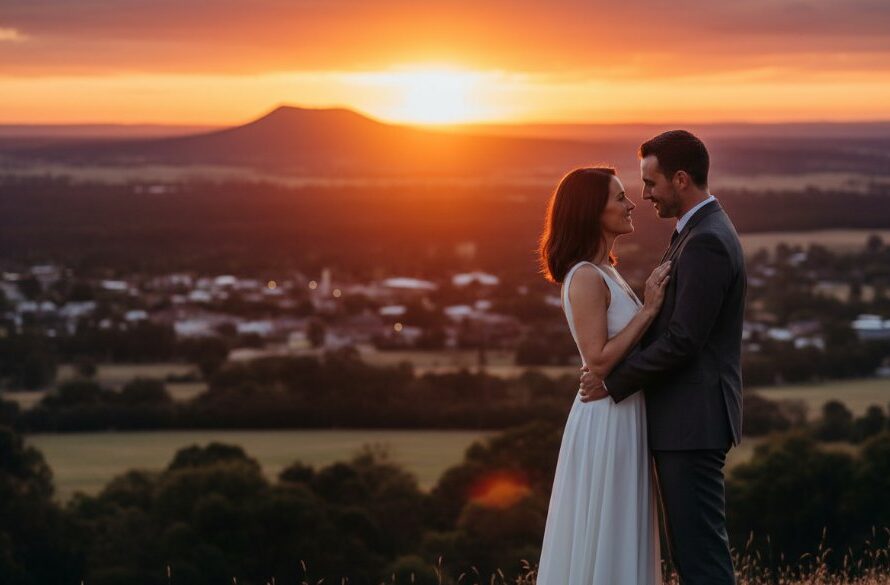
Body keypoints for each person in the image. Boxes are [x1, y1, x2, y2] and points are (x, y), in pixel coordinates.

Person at [579, 130, 746, 585]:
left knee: (700, 557)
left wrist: (613, 382)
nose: (644, 195)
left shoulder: (706, 240)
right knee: (692, 552)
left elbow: (683, 340)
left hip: (692, 422)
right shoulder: (697, 231)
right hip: (687, 422)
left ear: (680, 179)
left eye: (651, 184)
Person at [535, 166, 671, 585]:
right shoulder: (585, 277)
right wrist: (649, 309)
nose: (632, 204)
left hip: (623, 411)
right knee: (608, 521)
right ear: (592, 211)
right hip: (606, 418)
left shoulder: (606, 270)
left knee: (619, 520)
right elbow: (597, 361)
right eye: (619, 198)